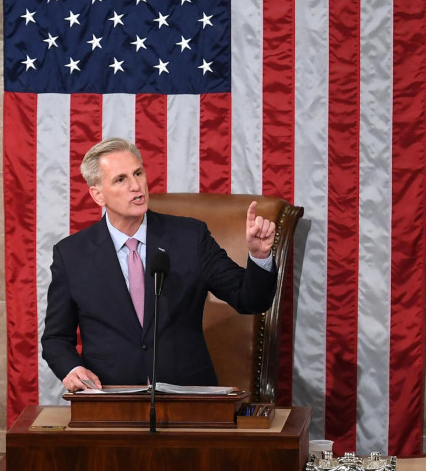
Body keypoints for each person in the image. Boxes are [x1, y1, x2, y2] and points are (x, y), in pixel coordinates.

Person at [40, 138, 278, 393]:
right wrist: (71, 369)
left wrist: (259, 256)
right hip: (110, 400)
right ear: (98, 194)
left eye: (138, 173)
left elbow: (249, 300)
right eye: (120, 179)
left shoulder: (190, 237)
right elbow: (56, 338)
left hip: (187, 399)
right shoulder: (72, 254)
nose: (135, 185)